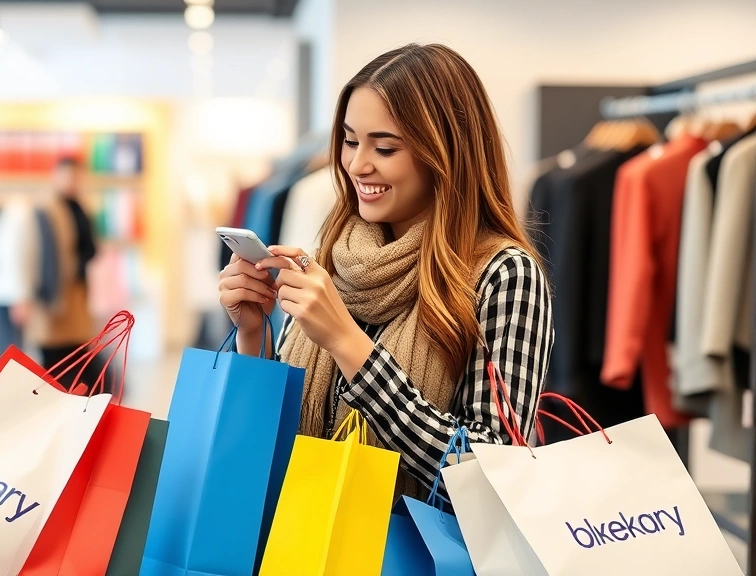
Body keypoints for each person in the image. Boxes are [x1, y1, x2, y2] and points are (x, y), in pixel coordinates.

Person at [217, 43, 554, 502]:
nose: (357, 164)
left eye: (386, 147)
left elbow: (493, 479)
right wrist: (253, 336)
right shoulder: (332, 259)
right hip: (300, 545)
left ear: (446, 153)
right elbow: (269, 449)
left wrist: (349, 345)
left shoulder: (505, 275)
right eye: (351, 141)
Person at [14, 156, 104, 390]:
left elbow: (88, 247)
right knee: (54, 364)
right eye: (68, 175)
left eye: (77, 176)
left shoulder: (79, 206)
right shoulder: (45, 209)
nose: (73, 181)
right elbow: (28, 253)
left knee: (79, 358)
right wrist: (23, 296)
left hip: (76, 296)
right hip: (52, 299)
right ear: (57, 176)